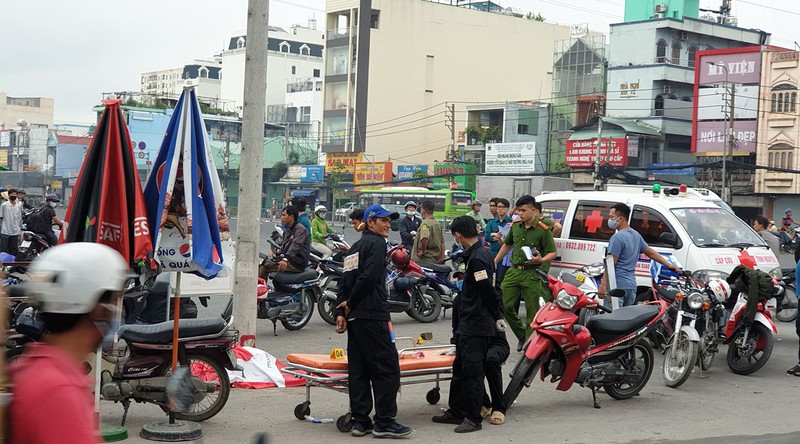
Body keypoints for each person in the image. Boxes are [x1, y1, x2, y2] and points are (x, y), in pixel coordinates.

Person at [8, 242, 129, 444]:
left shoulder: (42, 369)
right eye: (115, 300)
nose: (117, 312)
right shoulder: (59, 392)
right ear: (100, 309)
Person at [334, 204, 412, 438]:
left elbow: (344, 280)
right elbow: (368, 276)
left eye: (390, 220)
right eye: (383, 220)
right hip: (372, 314)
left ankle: (361, 421)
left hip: (356, 319)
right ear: (370, 222)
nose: (388, 224)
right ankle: (385, 421)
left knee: (359, 370)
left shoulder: (355, 247)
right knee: (387, 368)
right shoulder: (378, 244)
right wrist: (350, 303)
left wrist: (341, 311)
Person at [432, 216, 506, 433]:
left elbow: (487, 291)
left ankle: (473, 418)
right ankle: (457, 411)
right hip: (468, 323)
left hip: (477, 324)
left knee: (473, 371)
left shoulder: (478, 258)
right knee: (460, 369)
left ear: (457, 235)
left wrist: (497, 315)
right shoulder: (474, 255)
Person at [493, 195, 557, 352]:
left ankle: (529, 344)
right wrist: (494, 261)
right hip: (514, 271)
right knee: (506, 306)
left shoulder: (543, 230)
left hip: (532, 273)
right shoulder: (515, 226)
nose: (520, 213)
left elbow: (552, 253)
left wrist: (541, 260)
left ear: (534, 211)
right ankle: (522, 334)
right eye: (518, 210)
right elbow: (507, 245)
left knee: (532, 311)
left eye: (523, 210)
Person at [600, 203, 681, 308]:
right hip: (631, 286)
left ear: (620, 218)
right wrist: (668, 264)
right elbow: (650, 252)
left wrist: (603, 285)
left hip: (617, 287)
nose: (609, 220)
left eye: (611, 217)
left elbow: (611, 264)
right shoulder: (636, 235)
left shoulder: (617, 238)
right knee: (626, 321)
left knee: (611, 320)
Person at [259, 206, 310, 278]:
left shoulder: (300, 230)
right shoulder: (288, 230)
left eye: (284, 215)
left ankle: (259, 288)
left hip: (296, 263)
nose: (281, 217)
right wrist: (276, 254)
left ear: (291, 217)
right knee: (264, 260)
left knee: (265, 266)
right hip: (290, 259)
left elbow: (295, 246)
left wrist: (285, 259)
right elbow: (284, 247)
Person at [485, 198, 512, 290]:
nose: (500, 209)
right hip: (494, 253)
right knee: (492, 278)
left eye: (502, 207)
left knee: (503, 281)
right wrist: (495, 236)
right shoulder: (491, 222)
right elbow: (486, 237)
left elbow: (511, 240)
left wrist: (496, 236)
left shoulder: (511, 222)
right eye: (498, 207)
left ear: (507, 208)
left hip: (507, 256)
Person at [411, 200, 444, 264]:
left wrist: (423, 251)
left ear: (423, 210)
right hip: (436, 259)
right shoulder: (437, 224)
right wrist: (442, 258)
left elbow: (425, 238)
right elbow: (442, 243)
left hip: (425, 260)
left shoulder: (425, 223)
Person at [0, 188, 23, 255]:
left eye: (15, 194)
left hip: (15, 232)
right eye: (12, 194)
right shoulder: (4, 205)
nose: (14, 195)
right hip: (5, 231)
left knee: (13, 250)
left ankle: (12, 264)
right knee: (4, 250)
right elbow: (1, 217)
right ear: (9, 195)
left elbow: (19, 218)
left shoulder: (19, 206)